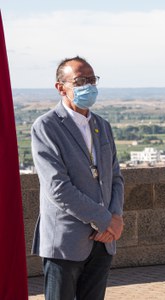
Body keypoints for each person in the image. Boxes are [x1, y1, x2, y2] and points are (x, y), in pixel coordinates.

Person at [31, 56, 124, 300]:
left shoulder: (102, 126)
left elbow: (115, 178)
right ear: (61, 87)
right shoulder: (46, 127)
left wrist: (115, 219)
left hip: (103, 242)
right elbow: (58, 189)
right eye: (81, 81)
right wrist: (104, 220)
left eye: (92, 80)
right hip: (66, 242)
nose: (89, 86)